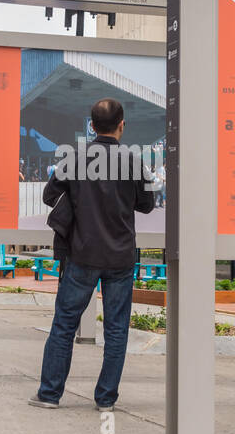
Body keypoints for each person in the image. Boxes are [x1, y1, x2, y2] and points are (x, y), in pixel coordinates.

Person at [29, 98, 154, 411]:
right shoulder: (134, 161)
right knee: (116, 329)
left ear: (92, 125)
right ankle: (106, 399)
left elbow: (49, 196)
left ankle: (49, 394)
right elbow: (147, 204)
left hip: (81, 254)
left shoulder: (74, 158)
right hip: (121, 257)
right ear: (121, 125)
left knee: (64, 324)